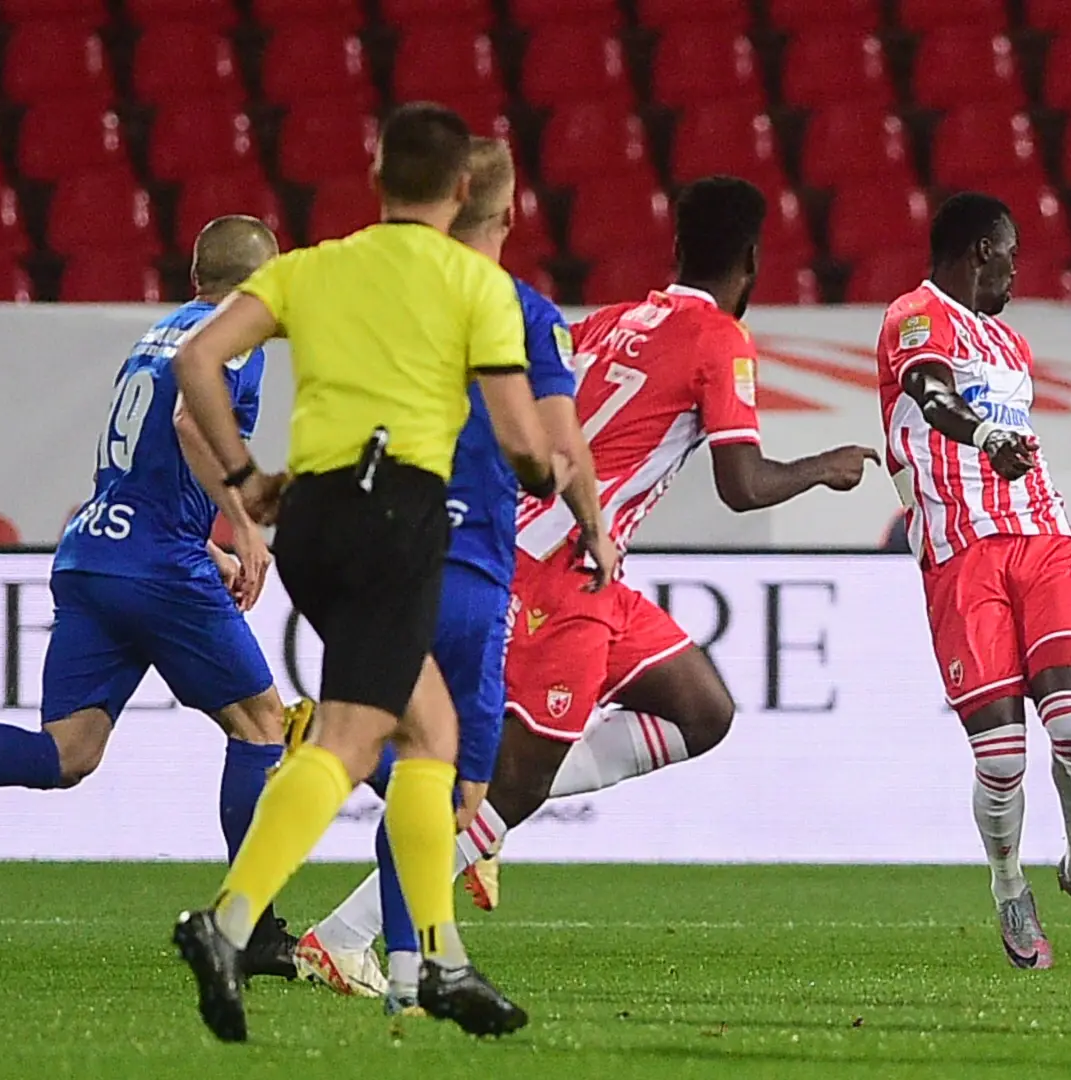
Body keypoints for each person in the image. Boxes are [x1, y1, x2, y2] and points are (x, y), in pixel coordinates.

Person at [291, 176, 876, 992]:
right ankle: (341, 934)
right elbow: (740, 484)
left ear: (677, 250)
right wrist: (824, 467)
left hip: (575, 562)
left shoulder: (605, 323)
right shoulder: (718, 339)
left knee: (701, 709)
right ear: (752, 260)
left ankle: (463, 807)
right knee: (514, 786)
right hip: (557, 574)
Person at [165, 102, 555, 1043]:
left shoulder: (314, 266)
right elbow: (519, 440)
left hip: (311, 520)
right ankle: (227, 923)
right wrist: (546, 470)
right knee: (348, 739)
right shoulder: (475, 284)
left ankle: (441, 962)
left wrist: (244, 479)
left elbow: (197, 358)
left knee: (429, 732)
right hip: (397, 519)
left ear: (378, 178)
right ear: (463, 190)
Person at [0, 216, 300, 979]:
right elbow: (191, 423)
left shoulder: (160, 333)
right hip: (157, 565)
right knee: (261, 728)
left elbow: (150, 454)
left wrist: (206, 543)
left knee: (69, 751)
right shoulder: (231, 334)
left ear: (194, 280)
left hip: (92, 550)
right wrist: (246, 526)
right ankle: (249, 926)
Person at [289, 137, 613, 1014]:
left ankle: (406, 962)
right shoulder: (521, 310)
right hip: (464, 561)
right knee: (452, 778)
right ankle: (420, 967)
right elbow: (555, 444)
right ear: (506, 213)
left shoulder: (379, 295)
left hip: (361, 545)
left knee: (404, 751)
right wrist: (591, 523)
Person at [878, 192, 1071, 970]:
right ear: (982, 251)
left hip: (1041, 538)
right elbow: (930, 392)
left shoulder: (1012, 345)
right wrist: (986, 433)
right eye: (1013, 256)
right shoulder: (914, 316)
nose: (1017, 273)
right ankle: (1007, 888)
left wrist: (1007, 444)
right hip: (961, 552)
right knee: (999, 759)